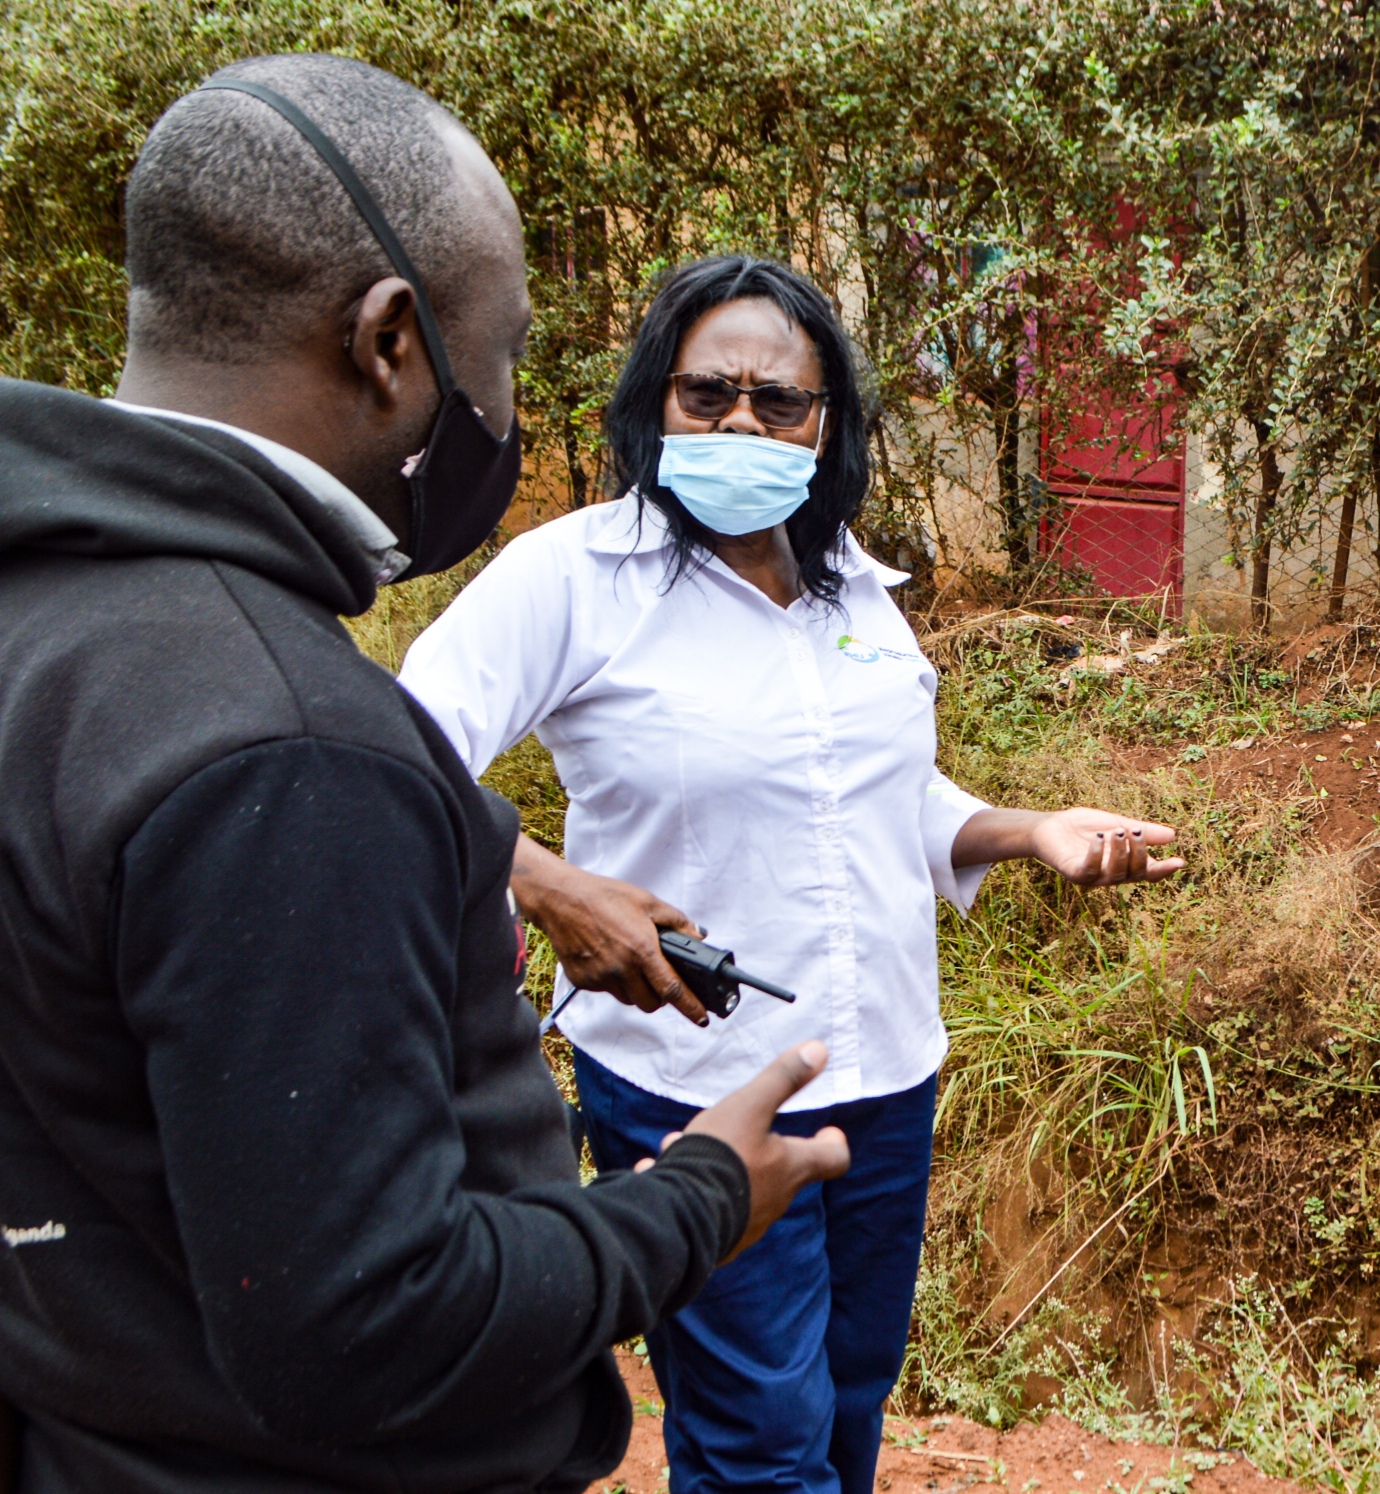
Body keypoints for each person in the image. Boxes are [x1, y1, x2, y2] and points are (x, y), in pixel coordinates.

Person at [0, 55, 848, 1493]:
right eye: (501, 350)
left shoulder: (50, 613)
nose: (507, 404)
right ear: (394, 341)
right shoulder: (291, 746)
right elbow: (371, 1321)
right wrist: (698, 1199)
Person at [396, 253, 1185, 1494]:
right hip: (691, 1088)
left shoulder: (854, 590)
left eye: (779, 402)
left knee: (848, 1411)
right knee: (761, 1448)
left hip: (884, 1078)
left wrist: (1026, 830)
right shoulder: (575, 578)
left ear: (827, 425)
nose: (742, 423)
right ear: (657, 401)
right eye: (709, 396)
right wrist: (545, 884)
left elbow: (871, 797)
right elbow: (396, 754)